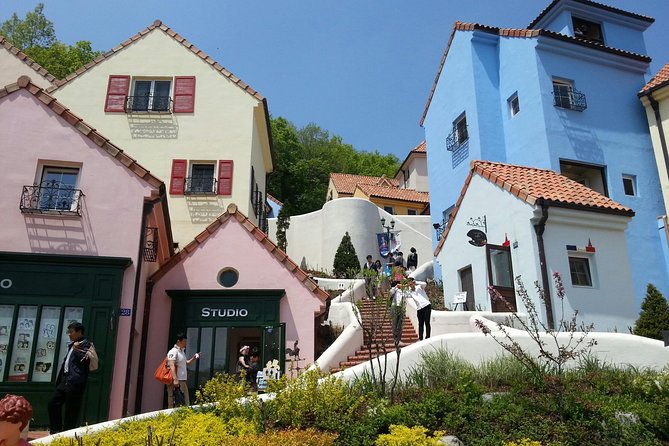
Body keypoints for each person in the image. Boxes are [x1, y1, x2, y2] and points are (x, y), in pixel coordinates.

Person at [48, 322, 91, 434]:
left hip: (75, 381)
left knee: (71, 410)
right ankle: (55, 430)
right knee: (53, 403)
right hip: (65, 380)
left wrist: (76, 350)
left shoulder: (86, 344)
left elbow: (86, 360)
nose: (69, 334)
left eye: (71, 332)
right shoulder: (72, 345)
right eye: (69, 332)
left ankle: (67, 433)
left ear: (79, 332)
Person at [166, 333, 200, 408]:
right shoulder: (173, 351)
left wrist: (194, 358)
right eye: (184, 341)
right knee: (175, 402)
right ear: (179, 341)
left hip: (183, 381)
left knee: (185, 402)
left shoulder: (182, 352)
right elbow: (171, 365)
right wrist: (175, 379)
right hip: (177, 382)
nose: (186, 343)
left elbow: (186, 363)